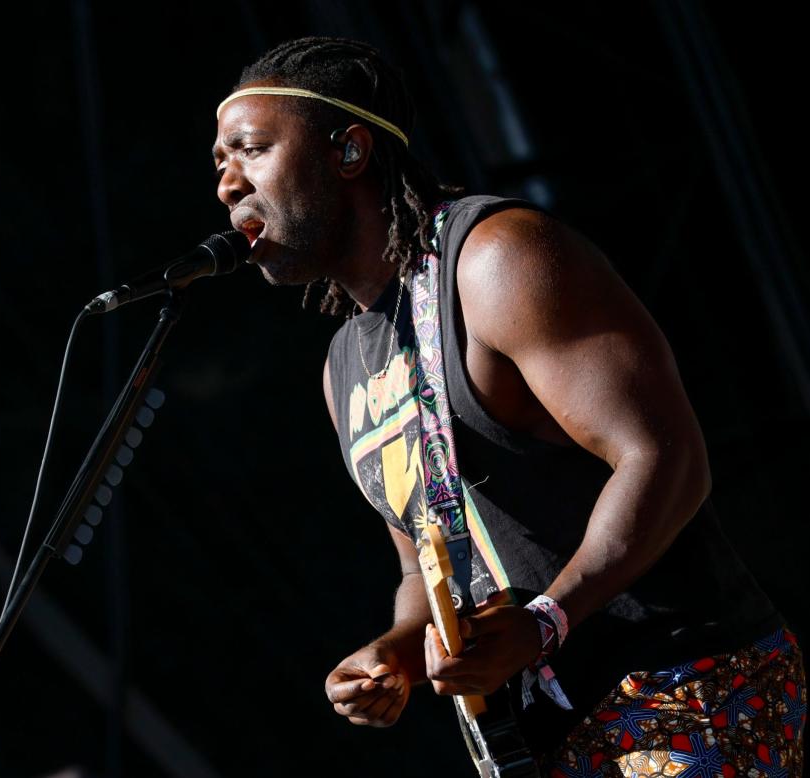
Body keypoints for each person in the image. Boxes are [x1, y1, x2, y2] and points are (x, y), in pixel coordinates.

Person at [211, 37, 806, 776]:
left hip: (678, 687)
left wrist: (544, 619)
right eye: (220, 164)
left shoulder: (496, 258)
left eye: (249, 150)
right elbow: (421, 567)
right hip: (540, 739)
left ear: (349, 151)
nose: (228, 185)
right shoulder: (345, 368)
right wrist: (394, 651)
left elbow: (664, 456)